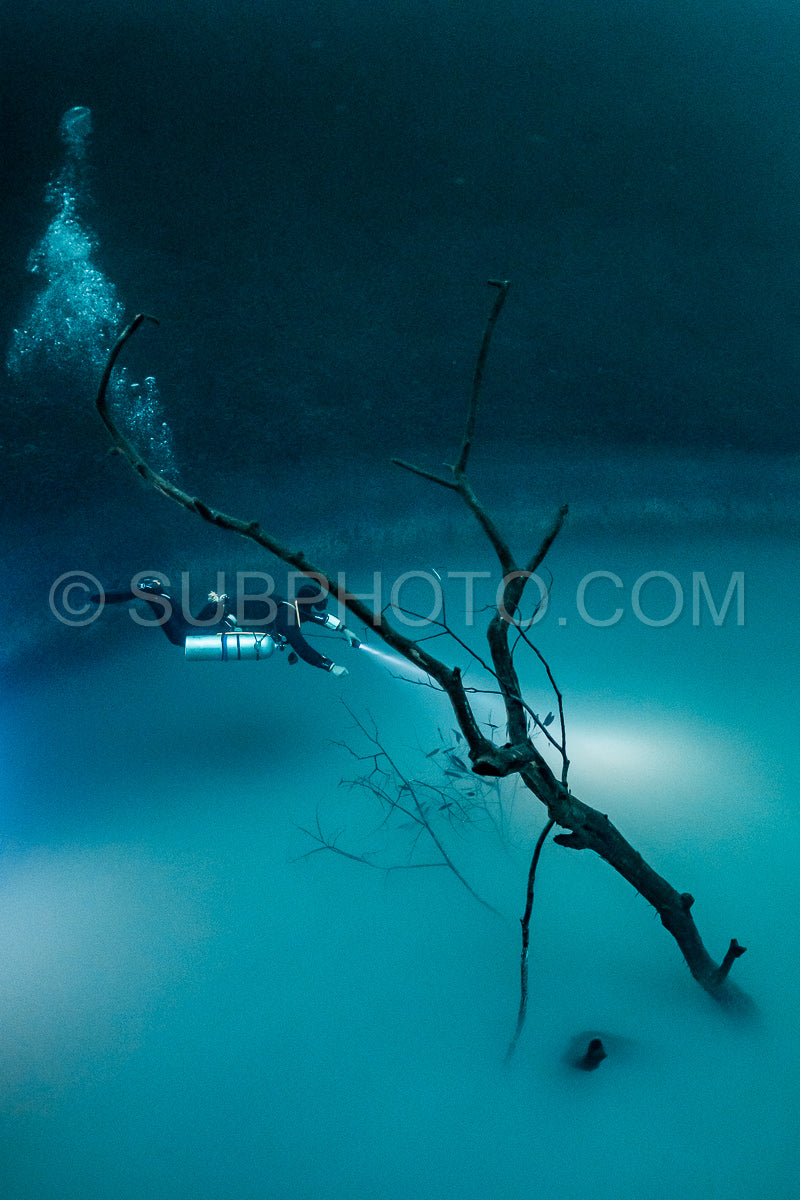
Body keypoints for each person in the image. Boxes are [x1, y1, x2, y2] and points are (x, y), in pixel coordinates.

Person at [94, 578, 359, 676]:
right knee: (180, 637)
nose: (314, 612)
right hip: (222, 617)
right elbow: (301, 647)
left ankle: (159, 593)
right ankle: (153, 594)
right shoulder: (288, 619)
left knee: (185, 626)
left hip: (220, 609)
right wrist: (331, 666)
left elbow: (317, 618)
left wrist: (345, 630)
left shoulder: (288, 606)